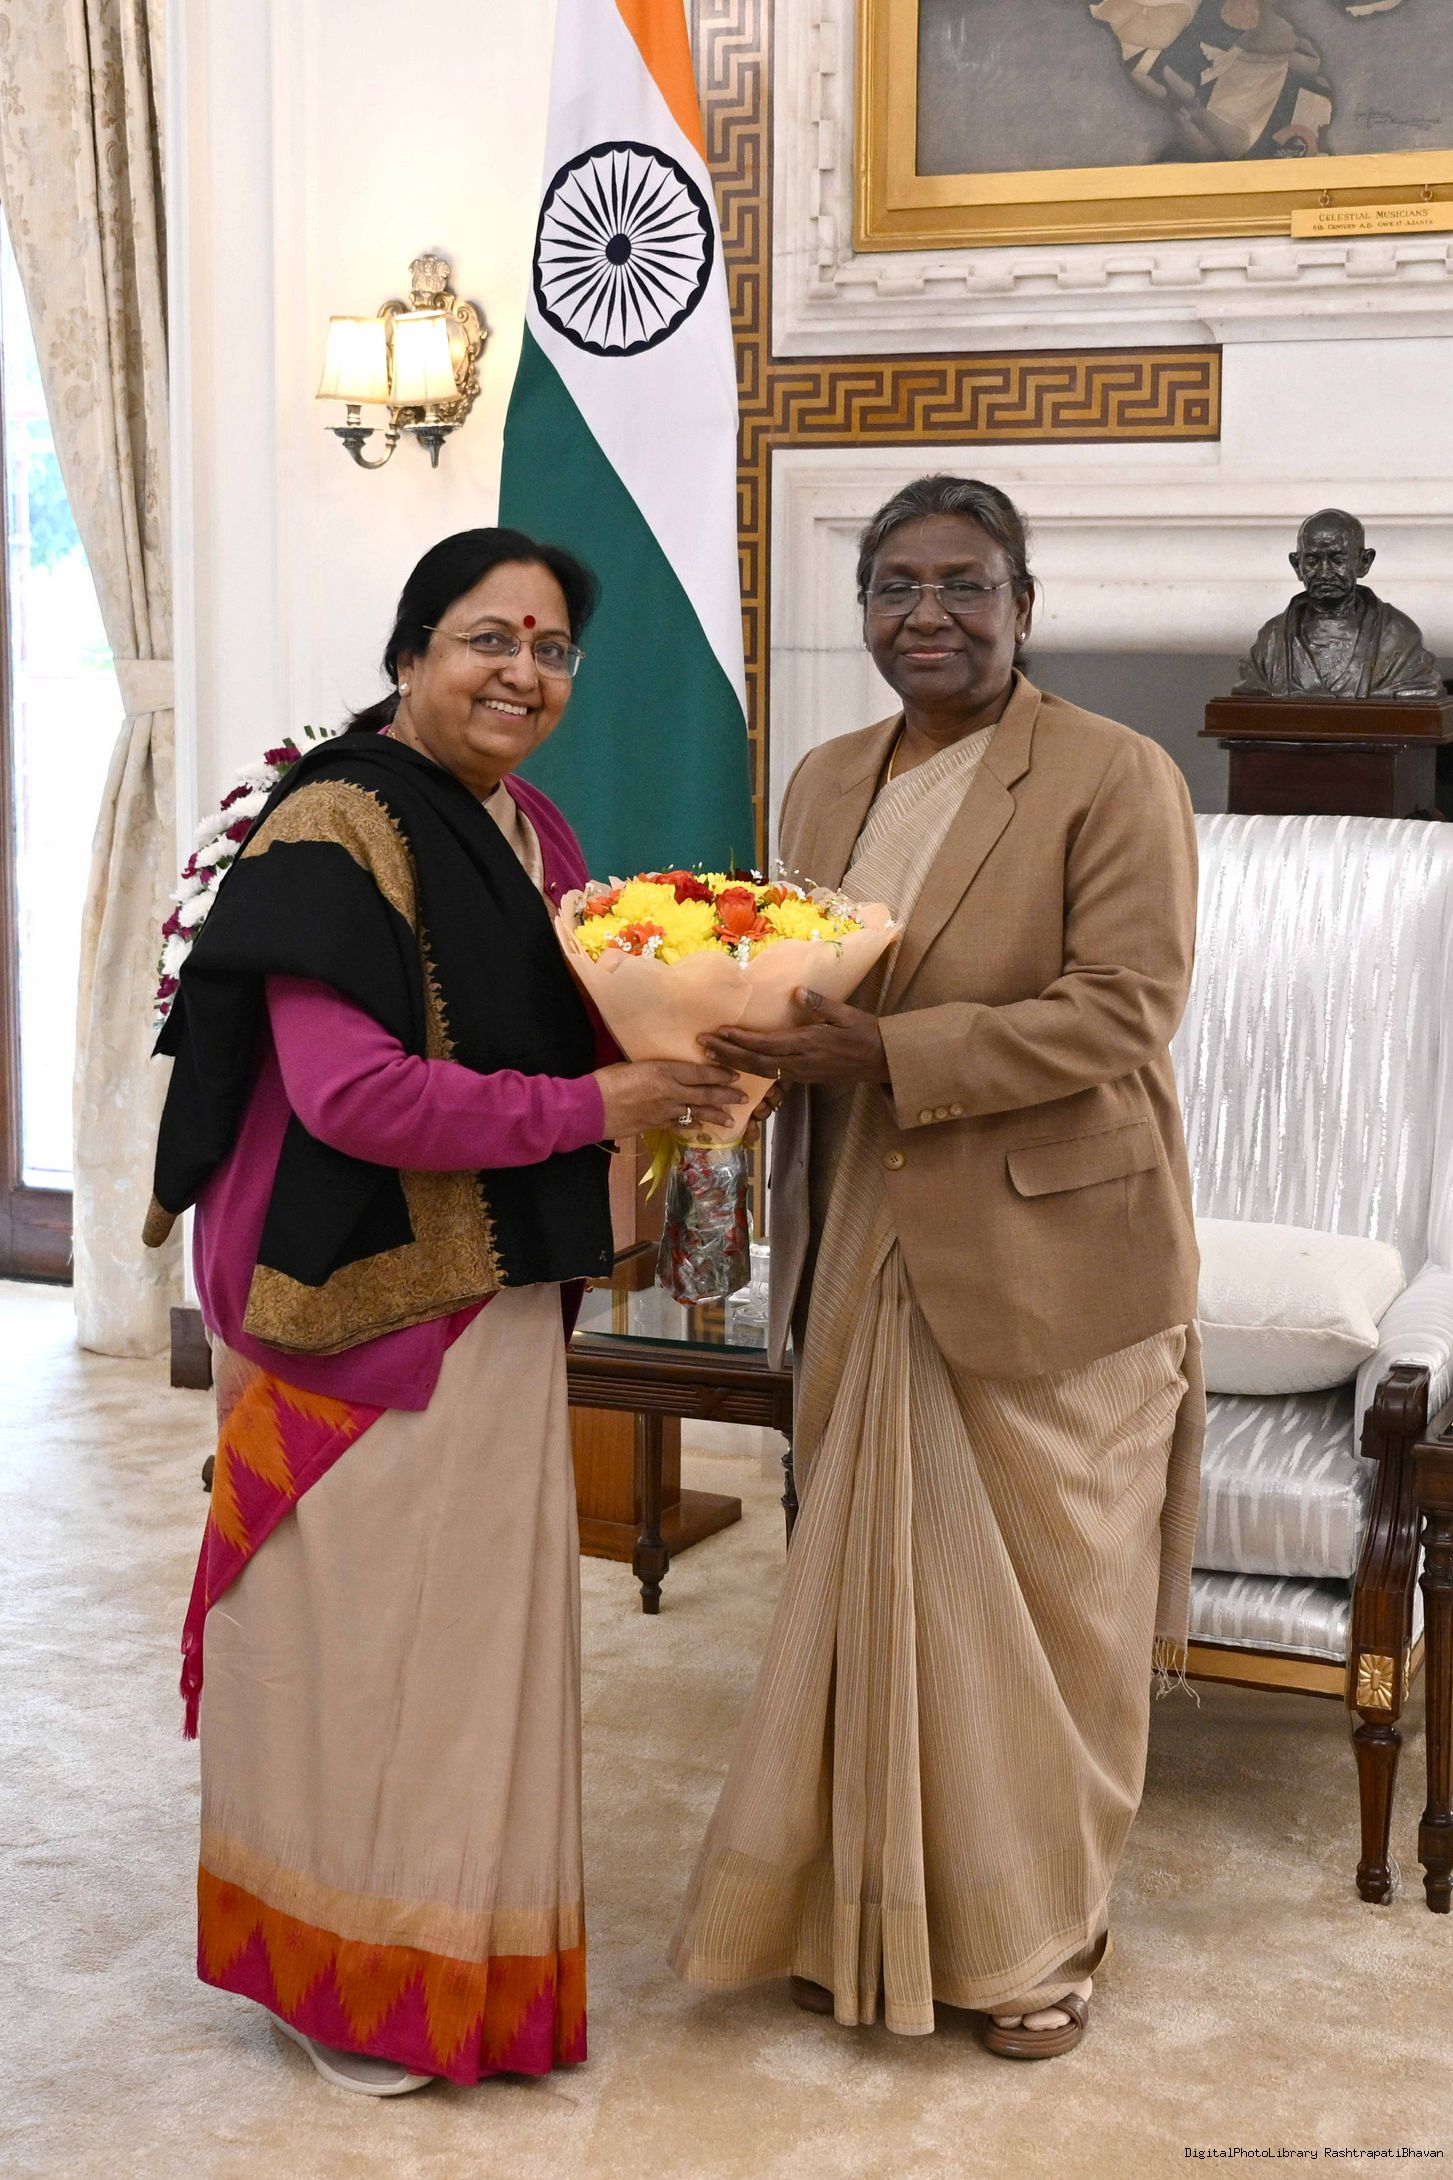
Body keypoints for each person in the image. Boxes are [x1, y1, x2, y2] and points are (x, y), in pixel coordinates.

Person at [145, 528, 737, 2094]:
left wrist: (704, 1052)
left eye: (550, 648)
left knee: (471, 1654)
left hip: (492, 1288)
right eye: (488, 638)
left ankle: (450, 1967)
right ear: (410, 654)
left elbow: (575, 1025)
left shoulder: (527, 825)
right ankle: (346, 1984)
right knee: (352, 1654)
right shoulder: (336, 826)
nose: (522, 672)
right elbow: (354, 1098)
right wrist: (603, 1105)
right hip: (355, 1305)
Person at [671, 475, 1205, 2060]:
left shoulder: (1113, 774)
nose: (929, 614)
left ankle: (1040, 1943)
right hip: (856, 1227)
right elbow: (784, 993)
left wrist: (888, 1054)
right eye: (896, 585)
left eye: (964, 584)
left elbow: (1126, 1005)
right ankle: (871, 1924)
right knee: (868, 1597)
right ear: (862, 614)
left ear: (1022, 607)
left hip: (1053, 1247)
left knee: (1053, 1617)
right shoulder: (824, 781)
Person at [1236, 507, 1443, 700]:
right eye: (1312, 560)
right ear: (1297, 565)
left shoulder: (1397, 636)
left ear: (1364, 562)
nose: (1324, 572)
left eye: (1338, 560)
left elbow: (1419, 693)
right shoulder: (1272, 639)